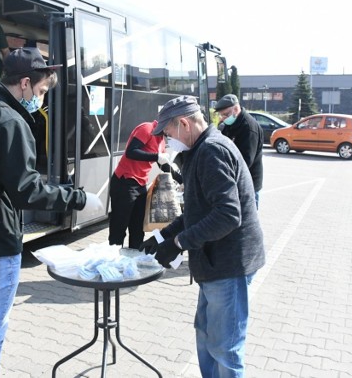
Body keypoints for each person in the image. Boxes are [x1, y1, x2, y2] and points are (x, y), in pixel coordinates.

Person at [0, 47, 102, 378]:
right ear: (26, 84)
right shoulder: (9, 120)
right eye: (42, 92)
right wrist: (77, 199)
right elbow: (26, 189)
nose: (41, 101)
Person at [140, 95, 265, 378]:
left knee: (225, 347)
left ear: (184, 123)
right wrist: (163, 237)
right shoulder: (199, 150)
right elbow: (198, 210)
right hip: (214, 264)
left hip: (230, 264)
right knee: (206, 332)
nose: (166, 142)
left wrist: (179, 243)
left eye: (168, 134)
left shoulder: (212, 151)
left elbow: (228, 215)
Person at [108, 121, 181, 249]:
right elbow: (131, 151)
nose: (171, 133)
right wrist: (156, 156)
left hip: (141, 184)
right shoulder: (147, 129)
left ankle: (134, 259)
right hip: (124, 181)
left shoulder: (161, 141)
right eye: (171, 128)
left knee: (137, 227)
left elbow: (163, 165)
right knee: (119, 226)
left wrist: (182, 179)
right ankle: (112, 260)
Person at [214, 94, 264, 208]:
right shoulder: (229, 124)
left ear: (236, 109)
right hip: (234, 182)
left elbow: (245, 161)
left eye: (225, 114)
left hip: (248, 184)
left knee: (248, 222)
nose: (223, 118)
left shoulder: (249, 128)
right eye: (221, 115)